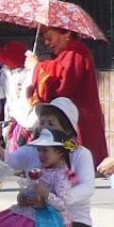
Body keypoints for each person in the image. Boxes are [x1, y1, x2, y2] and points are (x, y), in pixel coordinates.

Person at [25, 22, 109, 169]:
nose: (46, 42)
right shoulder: (67, 53)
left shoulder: (76, 50)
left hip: (79, 117)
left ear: (67, 34)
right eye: (45, 38)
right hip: (73, 116)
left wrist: (36, 67)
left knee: (78, 162)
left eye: (50, 37)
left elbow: (63, 84)